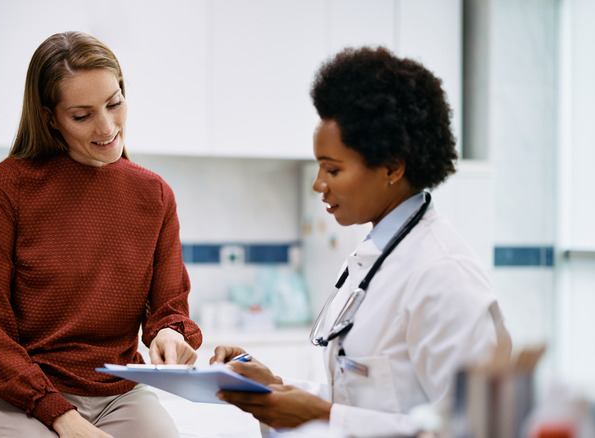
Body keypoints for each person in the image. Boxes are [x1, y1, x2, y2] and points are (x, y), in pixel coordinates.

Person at [211, 46, 512, 437]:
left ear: (392, 166)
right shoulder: (373, 259)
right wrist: (274, 389)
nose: (319, 185)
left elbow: (476, 429)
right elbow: (365, 400)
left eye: (332, 169)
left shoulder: (443, 274)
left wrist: (320, 416)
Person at [0, 31, 202, 438]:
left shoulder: (154, 195)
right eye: (82, 115)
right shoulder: (9, 186)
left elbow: (169, 306)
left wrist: (168, 334)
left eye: (114, 103)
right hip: (14, 390)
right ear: (50, 116)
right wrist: (63, 418)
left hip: (115, 392)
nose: (107, 127)